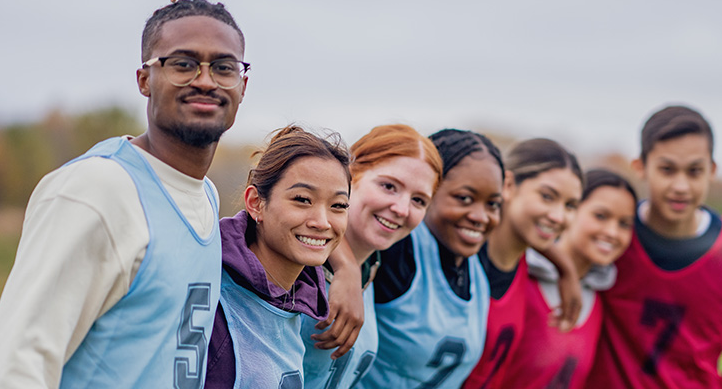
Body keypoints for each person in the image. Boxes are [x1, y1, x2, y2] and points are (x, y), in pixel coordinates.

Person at [0, 0, 248, 388]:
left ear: (243, 83)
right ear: (144, 79)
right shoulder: (97, 190)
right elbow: (17, 369)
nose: (205, 80)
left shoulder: (204, 194)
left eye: (223, 67)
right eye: (183, 64)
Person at [586, 105, 722, 388]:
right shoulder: (611, 237)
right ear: (640, 167)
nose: (681, 185)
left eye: (694, 171)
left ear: (711, 171)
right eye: (667, 169)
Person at [204, 125, 352, 388]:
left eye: (338, 206)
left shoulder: (297, 300)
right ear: (255, 203)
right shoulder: (210, 295)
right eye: (302, 199)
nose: (322, 221)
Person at [301, 124, 443, 389]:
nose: (401, 209)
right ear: (350, 177)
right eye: (389, 186)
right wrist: (346, 266)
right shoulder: (297, 258)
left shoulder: (372, 270)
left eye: (419, 200)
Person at [358, 129, 503, 388]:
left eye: (492, 204)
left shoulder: (477, 259)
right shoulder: (398, 246)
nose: (481, 216)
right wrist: (346, 265)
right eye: (464, 198)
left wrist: (565, 267)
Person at [462, 138, 583, 389]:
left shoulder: (522, 265)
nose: (558, 216)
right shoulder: (462, 256)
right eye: (547, 196)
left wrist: (566, 268)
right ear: (508, 184)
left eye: (570, 205)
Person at [508, 169, 637, 388]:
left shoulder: (600, 299)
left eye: (624, 224)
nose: (612, 232)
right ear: (572, 209)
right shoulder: (521, 276)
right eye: (601, 216)